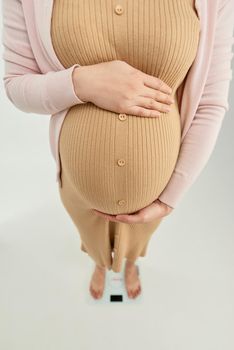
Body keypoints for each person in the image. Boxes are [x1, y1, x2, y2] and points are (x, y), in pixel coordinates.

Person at [2, 0, 234, 300]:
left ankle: (129, 264)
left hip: (157, 186)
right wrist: (82, 82)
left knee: (139, 238)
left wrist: (170, 197)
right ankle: (101, 263)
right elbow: (16, 84)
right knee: (90, 234)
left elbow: (210, 102)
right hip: (78, 184)